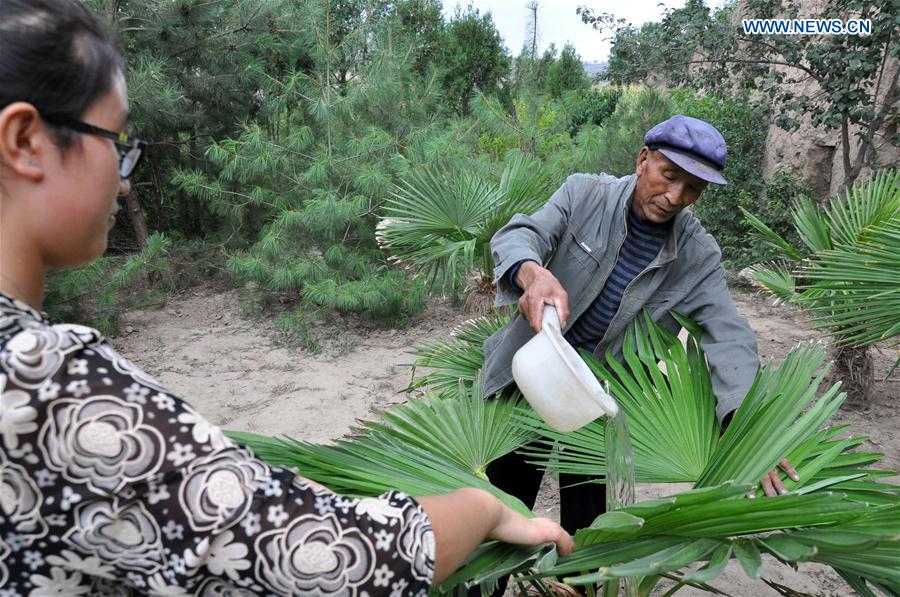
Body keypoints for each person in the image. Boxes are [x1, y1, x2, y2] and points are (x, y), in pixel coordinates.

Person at [0, 0, 574, 594]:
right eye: (115, 142)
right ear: (25, 141)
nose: (125, 176)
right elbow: (334, 558)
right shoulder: (42, 378)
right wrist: (484, 509)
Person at [481, 115, 799, 545]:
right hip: (530, 377)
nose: (674, 197)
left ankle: (574, 586)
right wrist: (532, 274)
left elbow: (729, 333)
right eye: (669, 176)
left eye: (692, 189)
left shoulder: (697, 254)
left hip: (600, 403)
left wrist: (747, 423)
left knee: (587, 531)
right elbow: (521, 234)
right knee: (500, 513)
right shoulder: (583, 194)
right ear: (643, 159)